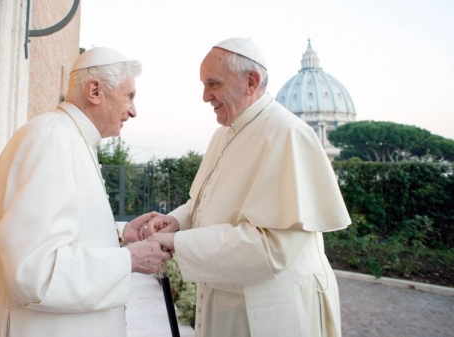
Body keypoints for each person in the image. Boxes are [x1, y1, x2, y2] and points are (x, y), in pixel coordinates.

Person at [132, 38, 352, 337]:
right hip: (226, 300)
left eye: (214, 84)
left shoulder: (287, 134)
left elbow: (272, 247)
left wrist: (177, 244)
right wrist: (177, 222)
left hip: (269, 310)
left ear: (251, 81)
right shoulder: (224, 134)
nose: (205, 96)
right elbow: (205, 201)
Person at [0, 47, 172, 337]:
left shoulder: (71, 138)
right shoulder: (52, 138)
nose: (133, 110)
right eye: (129, 96)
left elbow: (65, 240)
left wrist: (119, 243)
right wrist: (129, 259)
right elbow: (36, 273)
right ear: (95, 90)